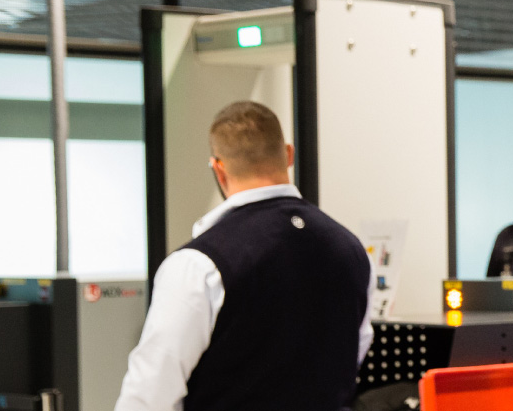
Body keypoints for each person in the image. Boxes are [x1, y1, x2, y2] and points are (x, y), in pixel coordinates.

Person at [116, 101, 374, 411]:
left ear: (218, 169)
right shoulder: (352, 252)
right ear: (288, 155)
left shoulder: (199, 265)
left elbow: (150, 393)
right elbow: (353, 353)